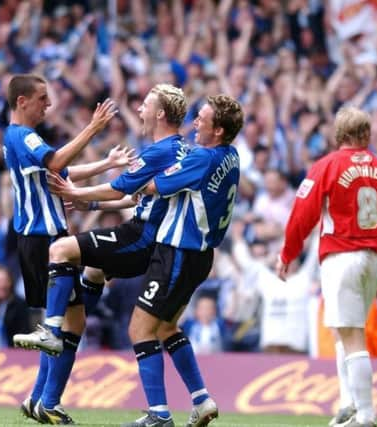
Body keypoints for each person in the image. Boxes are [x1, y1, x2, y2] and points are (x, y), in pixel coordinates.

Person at [13, 83, 190, 424]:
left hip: (139, 237)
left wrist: (77, 192)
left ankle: (50, 334)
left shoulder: (161, 151)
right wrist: (89, 200)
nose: (139, 110)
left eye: (145, 105)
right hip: (152, 238)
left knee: (61, 249)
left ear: (160, 114)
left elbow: (121, 186)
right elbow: (139, 195)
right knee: (89, 281)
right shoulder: (179, 150)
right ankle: (43, 399)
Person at [2, 73, 123, 424]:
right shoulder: (22, 136)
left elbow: (62, 174)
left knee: (71, 322)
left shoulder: (23, 139)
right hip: (46, 240)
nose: (48, 105)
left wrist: (106, 164)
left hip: (41, 239)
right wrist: (93, 128)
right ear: (21, 101)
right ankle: (47, 401)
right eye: (42, 98)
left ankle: (39, 398)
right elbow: (56, 163)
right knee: (71, 324)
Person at [122, 94, 243, 427]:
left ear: (218, 130)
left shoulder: (201, 159)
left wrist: (132, 179)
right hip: (200, 257)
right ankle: (201, 399)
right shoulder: (231, 155)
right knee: (165, 327)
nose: (194, 123)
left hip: (176, 251)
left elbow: (152, 186)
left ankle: (159, 413)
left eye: (202, 119)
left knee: (139, 329)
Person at [277, 107, 377, 427]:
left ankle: (366, 414)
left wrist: (288, 253)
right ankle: (348, 404)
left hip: (342, 255)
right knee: (342, 330)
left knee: (352, 334)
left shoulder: (327, 165)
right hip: (374, 257)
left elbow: (302, 214)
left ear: (338, 134)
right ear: (366, 134)